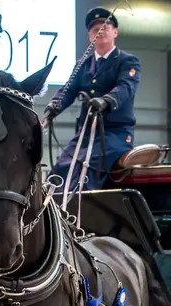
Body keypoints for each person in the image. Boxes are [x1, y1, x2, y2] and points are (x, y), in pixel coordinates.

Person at [44, 7, 141, 192]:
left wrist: (106, 100)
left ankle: (79, 215)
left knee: (85, 170)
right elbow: (68, 89)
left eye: (106, 26)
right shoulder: (83, 65)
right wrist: (53, 107)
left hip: (115, 134)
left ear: (115, 32)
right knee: (60, 168)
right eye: (95, 28)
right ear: (90, 36)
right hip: (85, 134)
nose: (100, 30)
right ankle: (52, 215)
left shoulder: (128, 61)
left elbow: (126, 87)